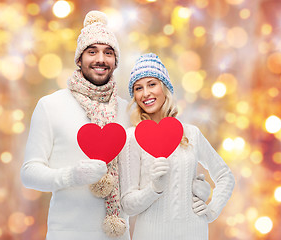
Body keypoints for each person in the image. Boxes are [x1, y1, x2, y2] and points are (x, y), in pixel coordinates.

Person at [21, 11, 131, 240]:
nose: (101, 59)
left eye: (108, 53)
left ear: (115, 61)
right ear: (79, 59)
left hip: (117, 234)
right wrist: (71, 176)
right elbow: (29, 173)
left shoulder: (128, 111)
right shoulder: (50, 105)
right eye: (92, 52)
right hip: (67, 234)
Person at [119, 53, 235, 240]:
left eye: (152, 84)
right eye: (138, 88)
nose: (146, 93)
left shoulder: (191, 134)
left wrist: (212, 209)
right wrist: (154, 188)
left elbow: (225, 177)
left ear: (164, 87)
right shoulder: (132, 138)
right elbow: (127, 205)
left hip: (193, 233)